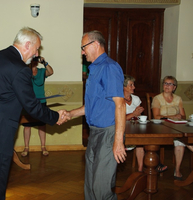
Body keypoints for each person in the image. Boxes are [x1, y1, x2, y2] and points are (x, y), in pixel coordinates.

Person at [0, 27, 68, 199]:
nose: (36, 54)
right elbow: (32, 106)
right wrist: (56, 117)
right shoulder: (19, 69)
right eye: (36, 49)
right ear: (27, 45)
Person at [67, 30, 126, 200]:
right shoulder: (94, 69)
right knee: (91, 187)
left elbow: (120, 104)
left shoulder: (109, 67)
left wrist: (118, 141)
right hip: (94, 133)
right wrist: (70, 114)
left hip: (108, 134)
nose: (82, 52)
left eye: (83, 47)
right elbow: (92, 106)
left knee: (101, 189)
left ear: (95, 45)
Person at [152, 75, 193, 180]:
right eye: (165, 83)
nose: (167, 86)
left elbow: (183, 115)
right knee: (180, 137)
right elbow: (156, 116)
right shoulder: (157, 98)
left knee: (181, 137)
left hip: (176, 124)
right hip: (163, 126)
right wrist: (173, 116)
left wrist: (179, 117)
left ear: (174, 87)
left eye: (170, 84)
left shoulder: (178, 99)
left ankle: (178, 169)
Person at [21, 56, 53, 157]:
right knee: (27, 126)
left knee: (42, 124)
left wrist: (45, 62)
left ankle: (43, 146)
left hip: (41, 102)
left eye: (36, 60)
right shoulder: (26, 71)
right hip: (28, 102)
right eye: (32, 60)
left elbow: (51, 72)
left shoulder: (42, 71)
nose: (34, 62)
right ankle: (26, 147)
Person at [123, 75, 145, 172]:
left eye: (133, 85)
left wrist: (138, 113)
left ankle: (140, 169)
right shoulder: (118, 100)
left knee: (141, 141)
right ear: (123, 87)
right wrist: (133, 114)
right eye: (131, 85)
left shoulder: (136, 99)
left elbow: (138, 116)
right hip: (122, 128)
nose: (134, 87)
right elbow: (117, 119)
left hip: (134, 126)